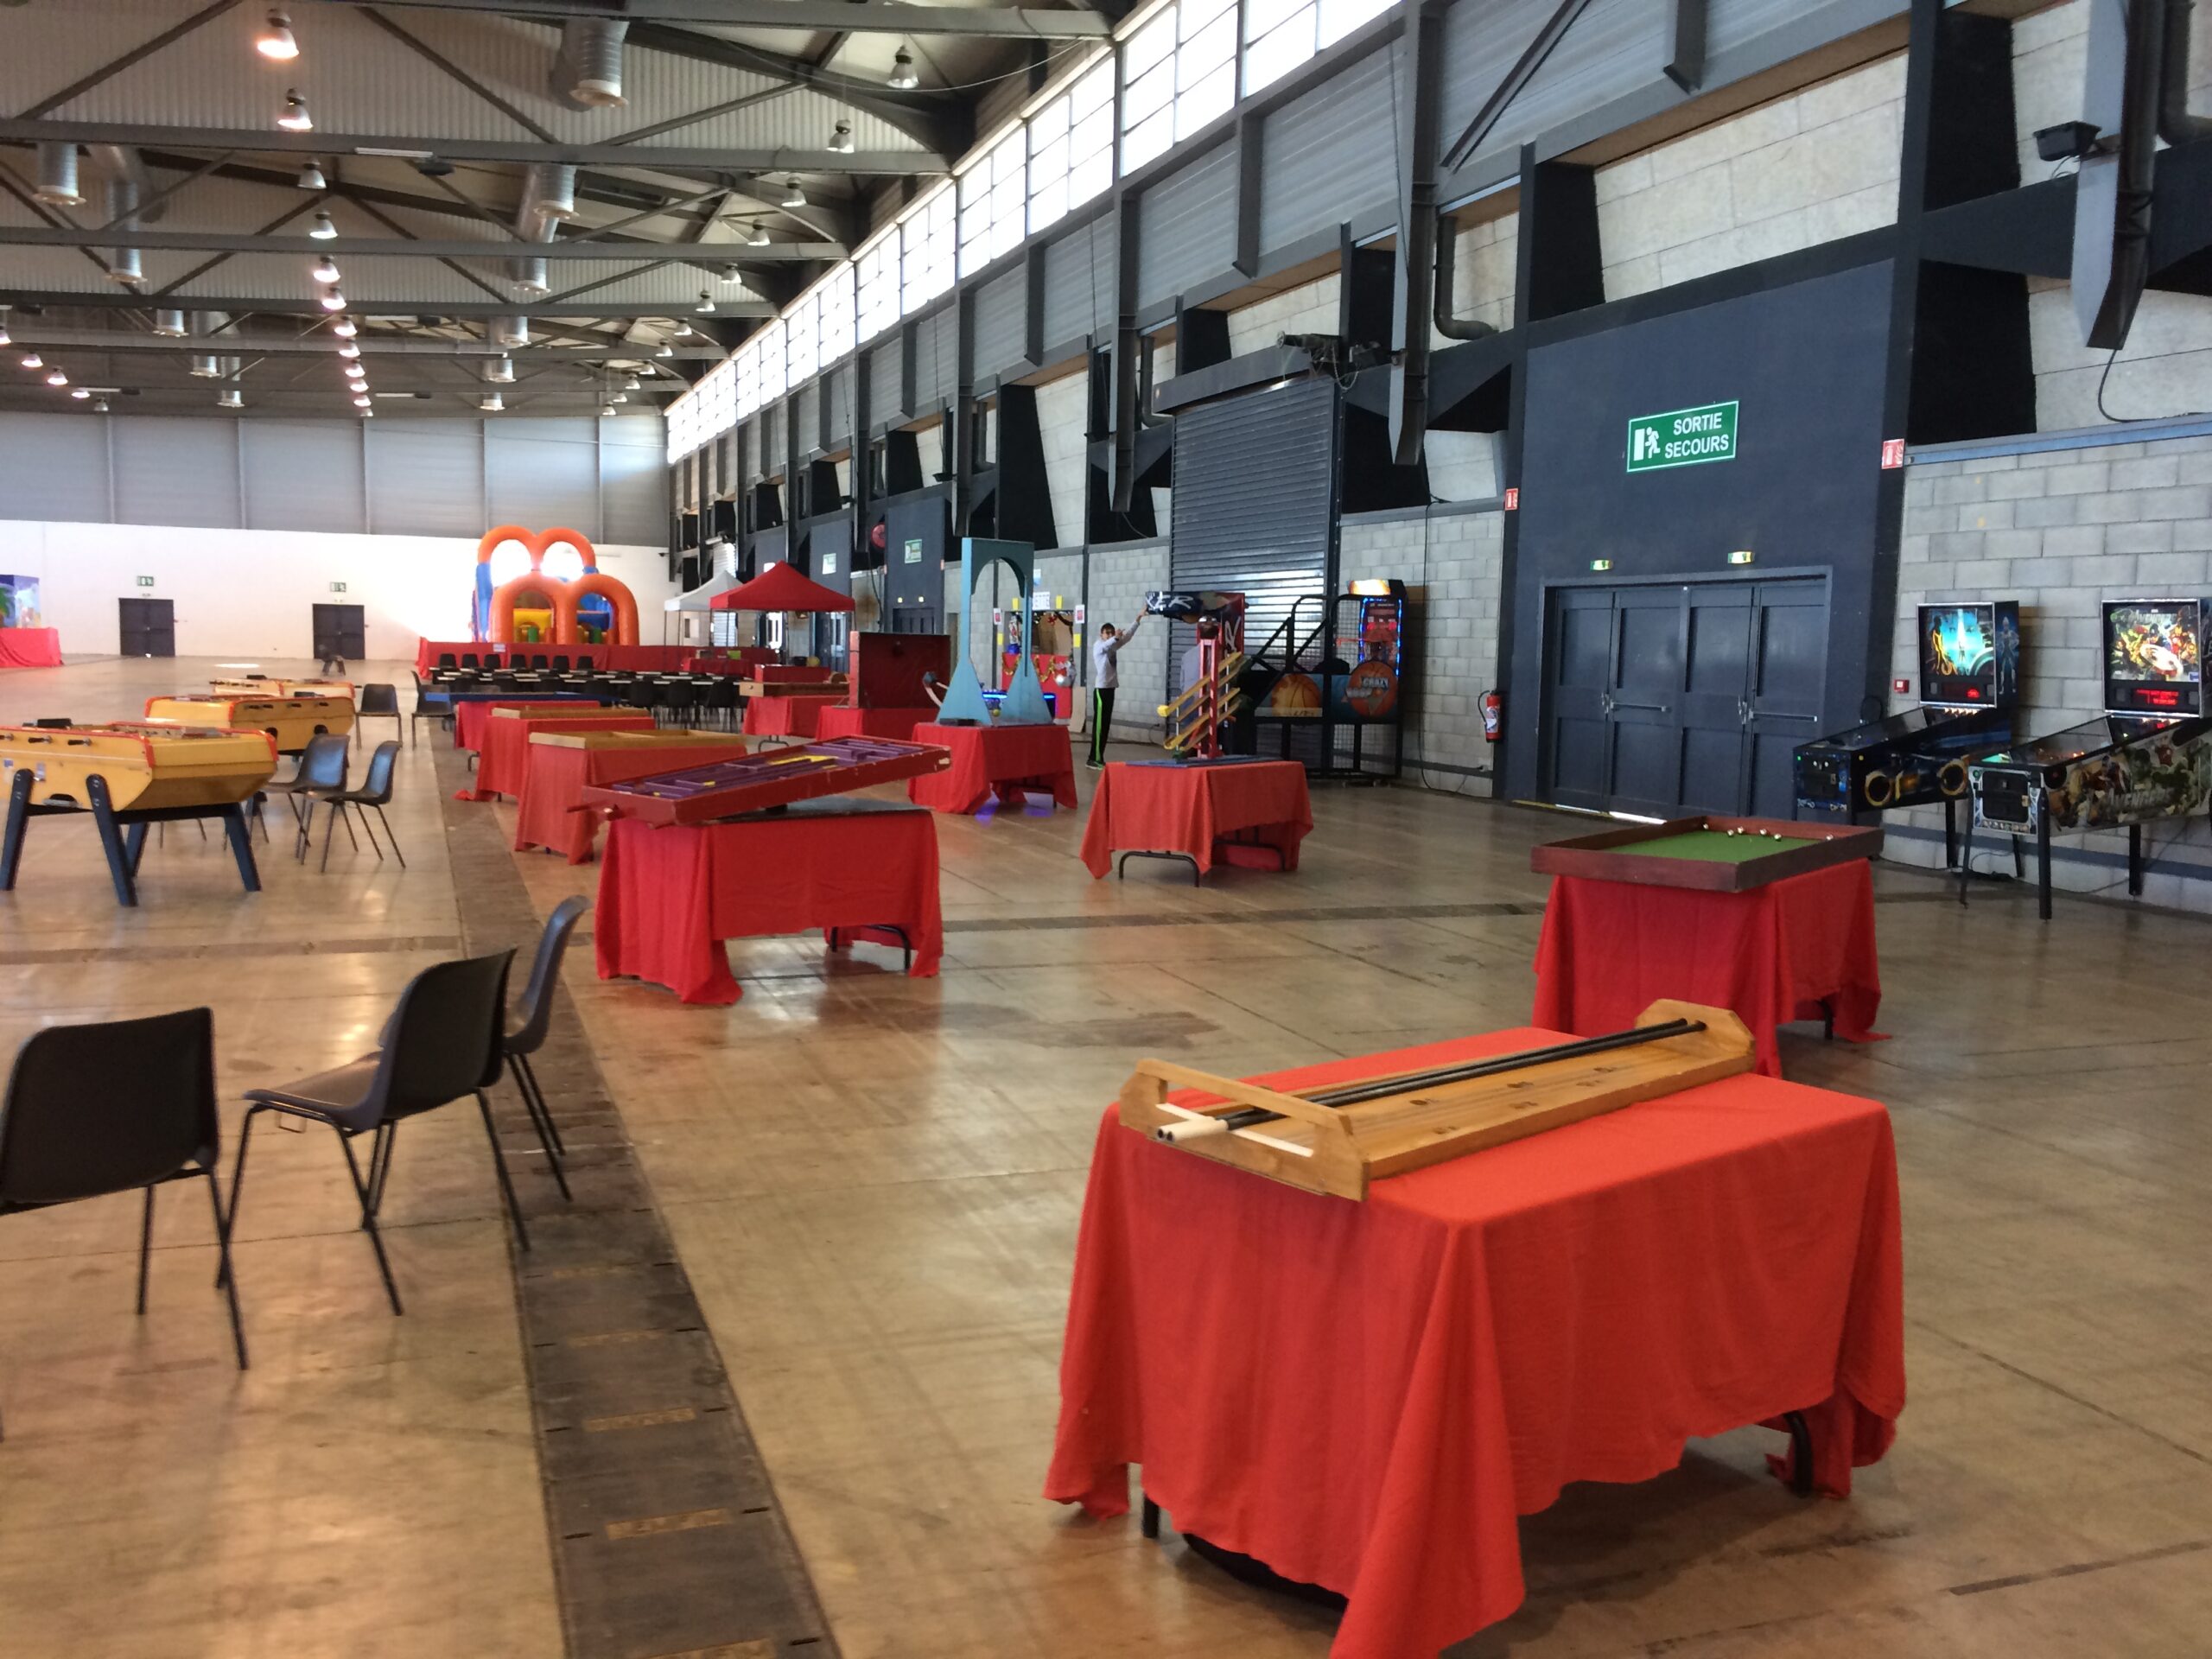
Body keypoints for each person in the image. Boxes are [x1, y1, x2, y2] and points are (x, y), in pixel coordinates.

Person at [1088, 613, 1144, 768]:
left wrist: (1137, 619)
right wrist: (1115, 637)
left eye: (1112, 632)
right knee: (1099, 726)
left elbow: (1127, 637)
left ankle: (1098, 757)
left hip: (1110, 689)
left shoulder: (1113, 645)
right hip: (1101, 690)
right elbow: (1107, 644)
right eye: (1108, 633)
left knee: (1105, 725)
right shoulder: (1098, 645)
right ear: (1102, 634)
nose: (1111, 635)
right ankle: (1093, 759)